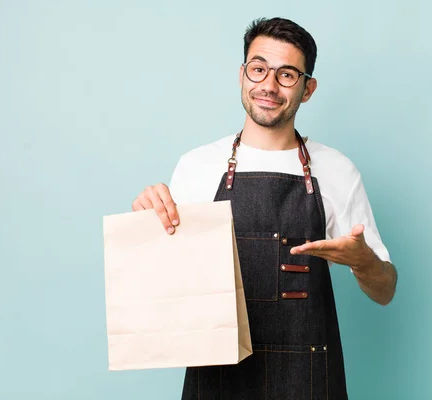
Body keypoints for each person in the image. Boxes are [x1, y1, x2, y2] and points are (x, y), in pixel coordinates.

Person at [131, 17, 398, 400]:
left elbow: (385, 290)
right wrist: (146, 223)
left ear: (308, 89)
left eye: (287, 74)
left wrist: (362, 261)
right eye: (258, 69)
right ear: (242, 75)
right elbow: (166, 288)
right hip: (218, 379)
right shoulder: (197, 166)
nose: (268, 86)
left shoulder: (337, 170)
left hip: (307, 379)